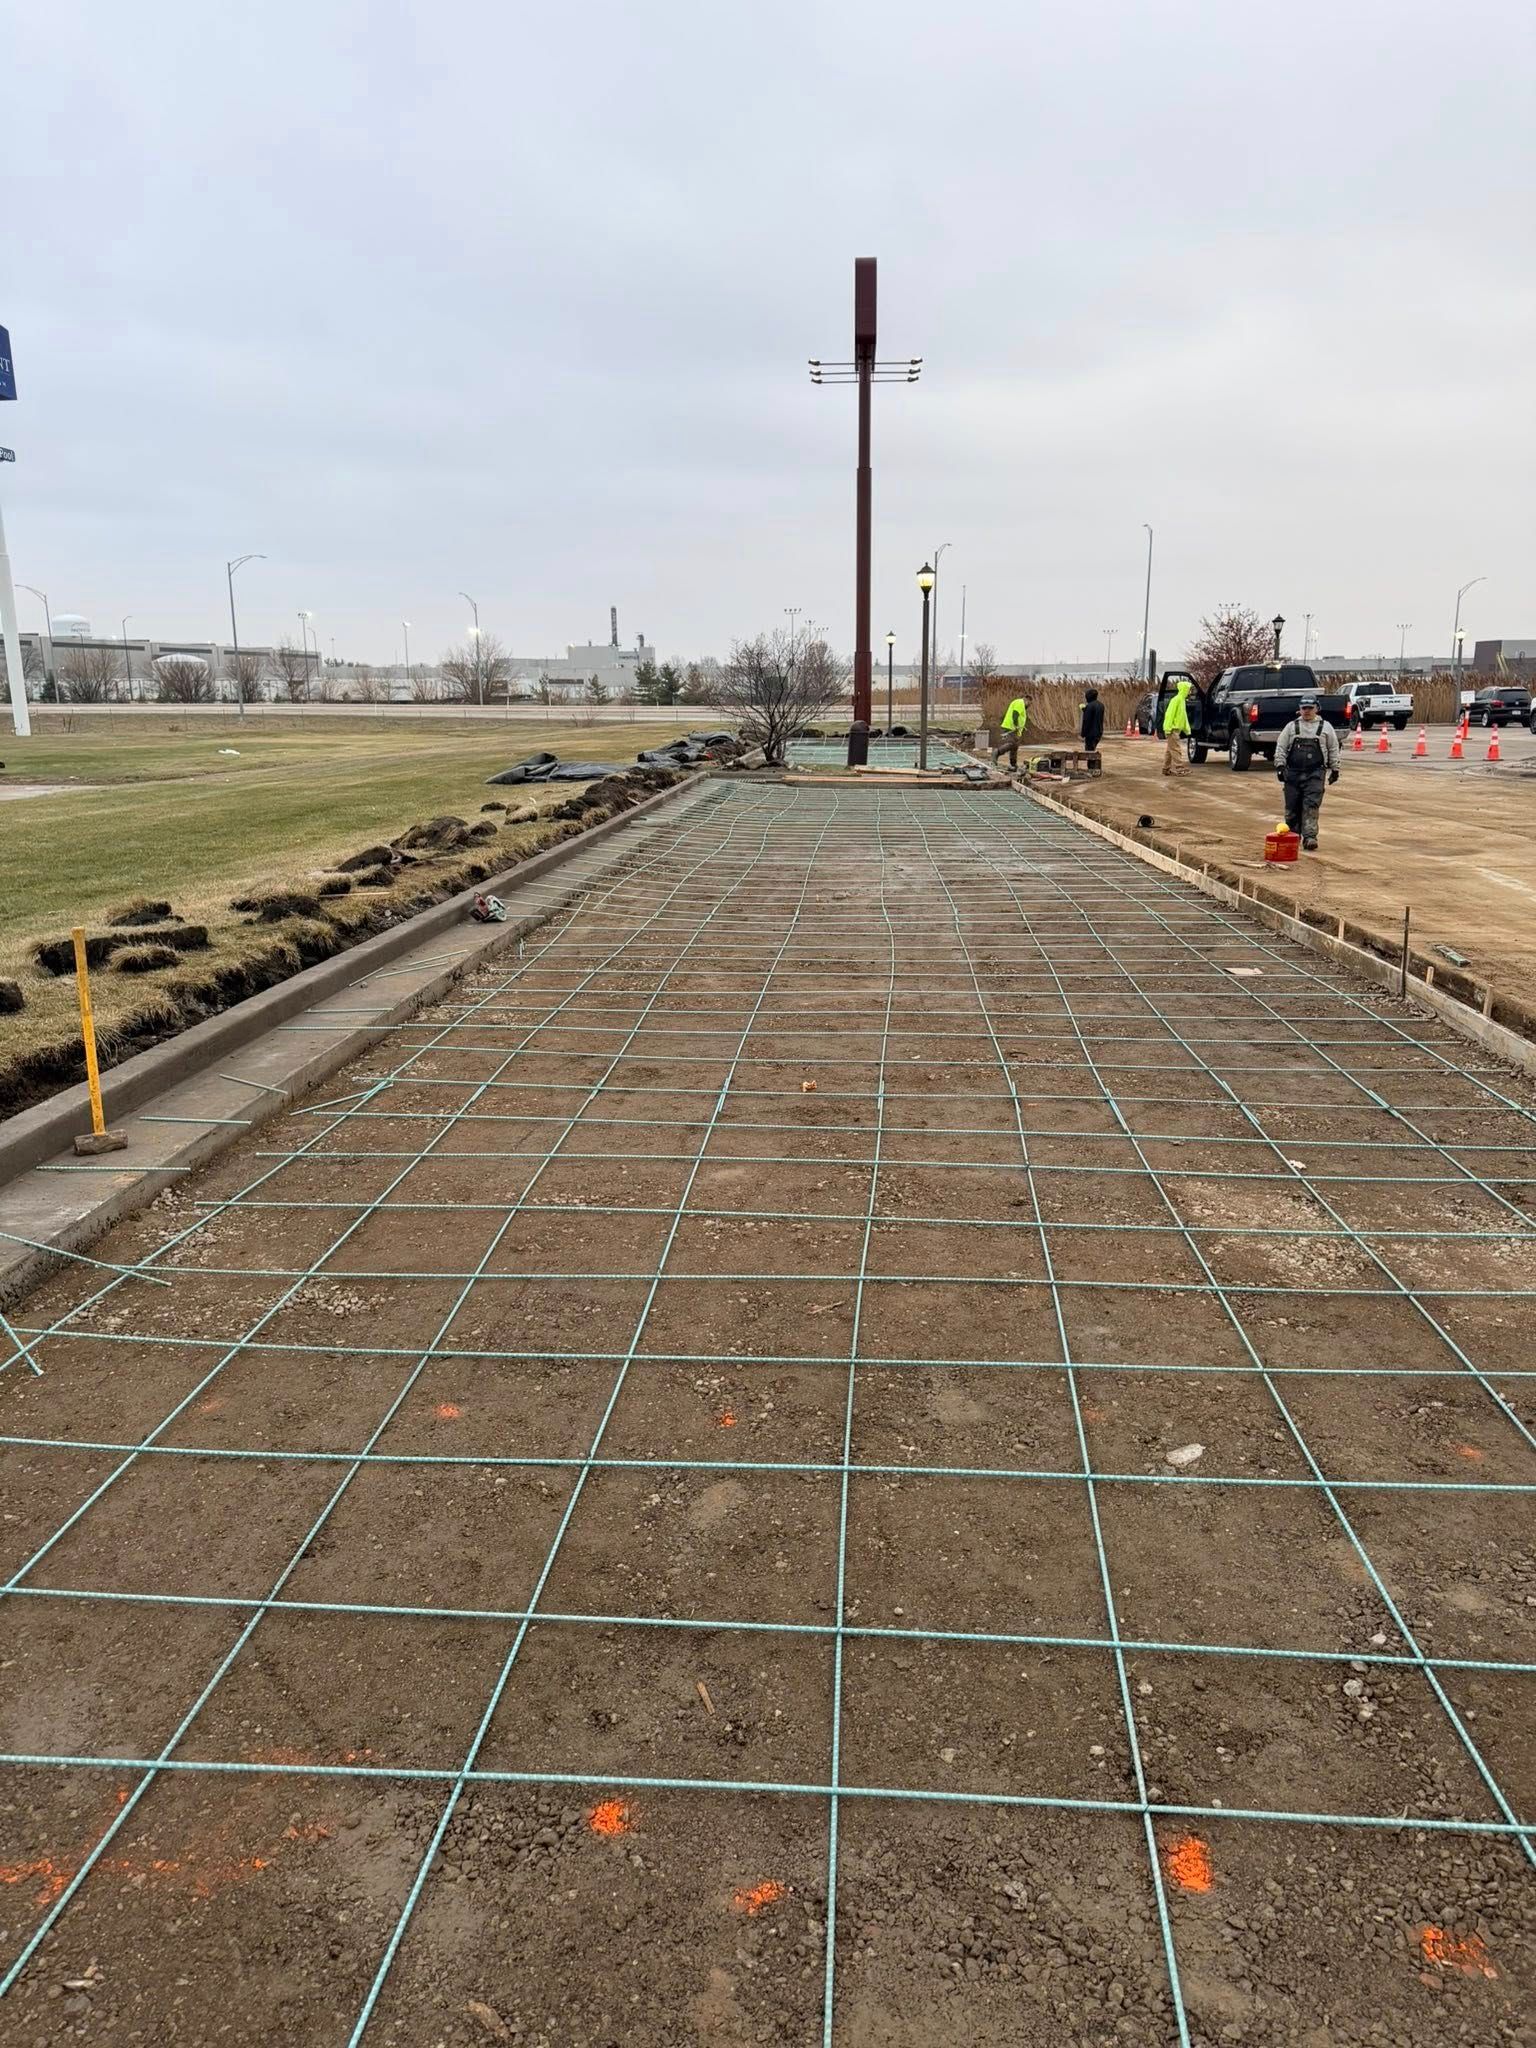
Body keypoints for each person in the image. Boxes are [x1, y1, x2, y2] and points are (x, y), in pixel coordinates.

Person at [1274, 697, 1341, 851]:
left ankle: (1310, 837)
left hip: (1315, 774)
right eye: (1304, 708)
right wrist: (1280, 766)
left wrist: (1335, 769)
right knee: (1292, 807)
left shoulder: (1326, 727)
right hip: (1293, 773)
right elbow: (1281, 747)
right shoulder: (1291, 727)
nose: (1307, 711)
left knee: (1311, 806)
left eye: (1310, 708)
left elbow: (1333, 749)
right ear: (1300, 709)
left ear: (1317, 708)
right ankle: (1292, 836)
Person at [1161, 677, 1194, 776]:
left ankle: (1165, 769)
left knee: (1170, 750)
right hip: (1172, 729)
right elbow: (1169, 715)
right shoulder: (1176, 700)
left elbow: (1183, 717)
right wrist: (1168, 728)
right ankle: (1180, 768)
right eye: (1189, 689)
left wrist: (1186, 729)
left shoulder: (1181, 700)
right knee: (1176, 749)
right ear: (1185, 689)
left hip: (1175, 729)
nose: (1190, 691)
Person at [994, 693, 1028, 769]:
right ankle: (997, 752)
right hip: (1011, 727)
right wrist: (1016, 726)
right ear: (1026, 699)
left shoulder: (1020, 703)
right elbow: (1015, 714)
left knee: (1015, 746)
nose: (1029, 705)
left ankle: (1013, 764)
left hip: (1015, 729)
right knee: (1012, 743)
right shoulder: (1020, 703)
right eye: (1029, 703)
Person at [1079, 686, 1105, 756]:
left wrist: (1083, 733)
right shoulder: (1101, 705)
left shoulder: (1089, 706)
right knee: (1092, 749)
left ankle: (1092, 766)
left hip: (1090, 733)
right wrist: (1085, 710)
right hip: (1099, 732)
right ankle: (1093, 765)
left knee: (1089, 752)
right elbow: (1095, 716)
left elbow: (1087, 721)